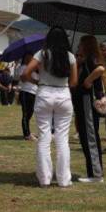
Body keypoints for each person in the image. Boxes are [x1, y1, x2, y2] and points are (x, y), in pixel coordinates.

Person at [21, 26, 78, 188]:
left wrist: (36, 81)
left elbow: (25, 74)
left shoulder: (42, 54)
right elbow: (73, 82)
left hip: (44, 93)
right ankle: (63, 179)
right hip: (63, 95)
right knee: (62, 138)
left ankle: (44, 178)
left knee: (44, 137)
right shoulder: (70, 57)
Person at [72, 35, 106, 182]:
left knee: (90, 135)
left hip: (87, 101)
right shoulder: (85, 60)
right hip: (82, 101)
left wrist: (88, 80)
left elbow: (100, 69)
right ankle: (93, 172)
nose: (78, 47)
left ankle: (96, 174)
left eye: (80, 44)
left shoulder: (92, 58)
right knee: (86, 136)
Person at [17, 53, 38, 140]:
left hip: (34, 92)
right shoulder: (22, 67)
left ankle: (28, 131)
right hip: (25, 92)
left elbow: (38, 79)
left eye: (32, 57)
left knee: (30, 112)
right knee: (25, 113)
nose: (31, 58)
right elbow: (23, 78)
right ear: (25, 58)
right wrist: (33, 80)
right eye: (29, 56)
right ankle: (27, 134)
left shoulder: (35, 68)